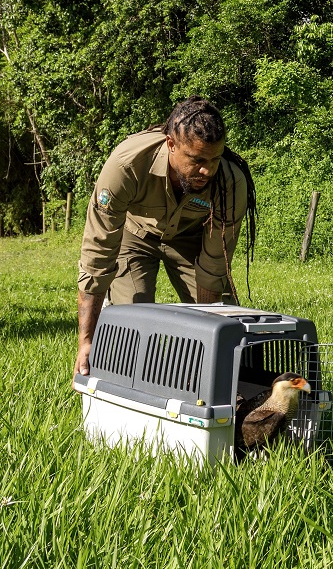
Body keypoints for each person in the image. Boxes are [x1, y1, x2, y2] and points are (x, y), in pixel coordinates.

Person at [75, 96, 256, 376]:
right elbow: (98, 255)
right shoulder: (126, 165)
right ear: (171, 144)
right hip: (134, 236)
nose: (207, 170)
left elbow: (214, 266)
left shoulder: (230, 182)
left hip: (191, 239)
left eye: (215, 159)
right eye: (197, 160)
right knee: (131, 324)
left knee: (225, 328)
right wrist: (86, 340)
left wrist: (209, 336)